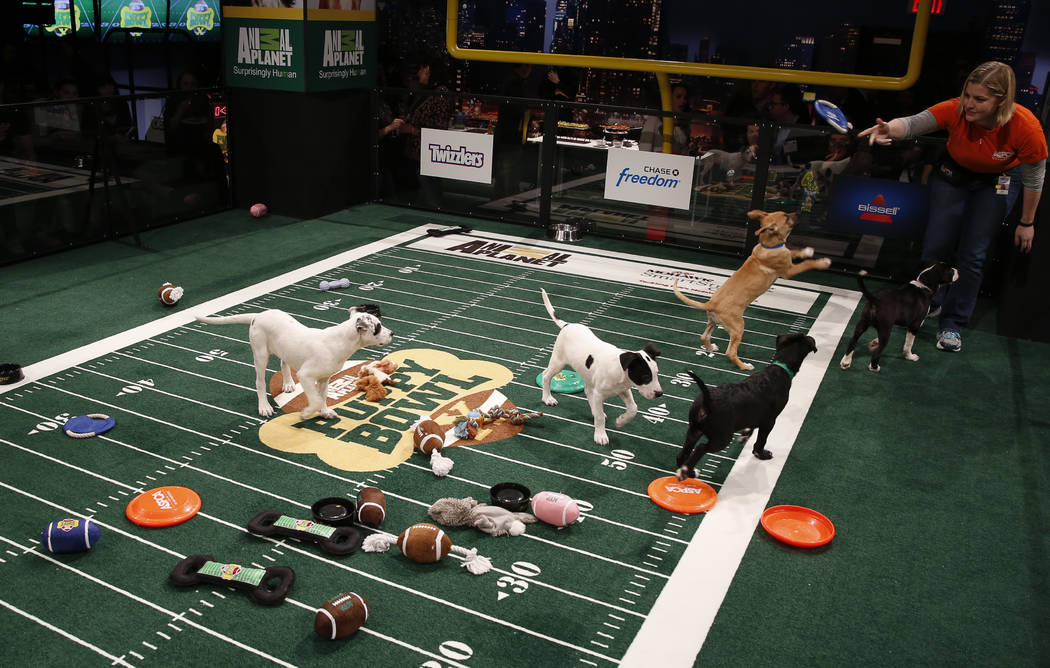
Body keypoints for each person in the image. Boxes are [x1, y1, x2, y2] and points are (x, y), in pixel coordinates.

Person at [858, 61, 1048, 353]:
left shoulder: (1026, 126)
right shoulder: (956, 109)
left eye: (979, 99)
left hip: (997, 182)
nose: (969, 104)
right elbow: (914, 123)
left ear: (1001, 101)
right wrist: (889, 129)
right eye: (967, 95)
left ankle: (953, 323)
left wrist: (1027, 222)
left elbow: (1034, 178)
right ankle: (928, 302)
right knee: (936, 245)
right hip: (954, 175)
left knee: (973, 255)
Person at [638, 81, 690, 155]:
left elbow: (684, 153)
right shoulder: (654, 120)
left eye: (685, 98)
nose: (683, 101)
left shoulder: (682, 124)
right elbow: (644, 150)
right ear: (668, 98)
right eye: (678, 97)